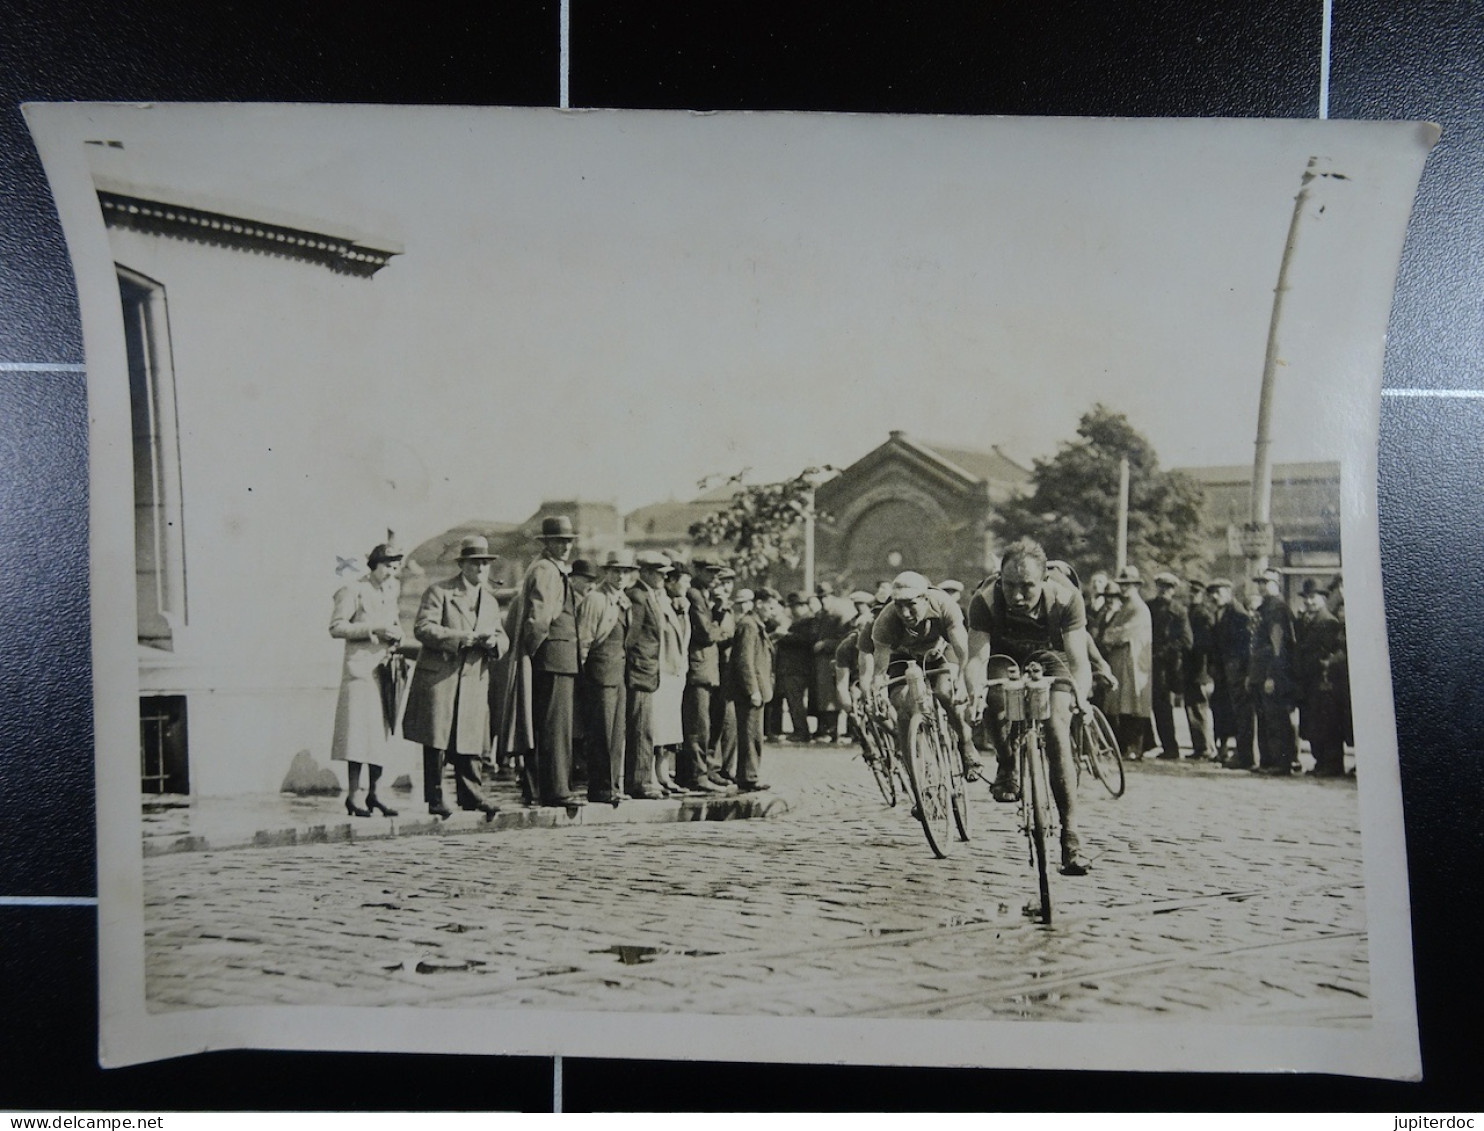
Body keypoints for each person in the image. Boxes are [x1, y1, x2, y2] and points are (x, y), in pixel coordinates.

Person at [964, 539, 1093, 876]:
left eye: (1027, 587)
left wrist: (1082, 697)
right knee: (993, 697)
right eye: (1010, 586)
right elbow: (977, 657)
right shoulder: (985, 600)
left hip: (1051, 656)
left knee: (1056, 726)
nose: (1018, 596)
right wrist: (973, 693)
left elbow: (1079, 660)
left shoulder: (1067, 598)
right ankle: (1007, 765)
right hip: (1003, 655)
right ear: (999, 579)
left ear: (1044, 580)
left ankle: (1071, 836)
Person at [402, 535, 507, 819]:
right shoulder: (440, 592)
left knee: (470, 738)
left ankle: (471, 795)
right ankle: (435, 797)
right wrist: (464, 638)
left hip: (473, 677)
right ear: (462, 565)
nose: (481, 569)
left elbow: (502, 637)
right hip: (441, 676)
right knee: (436, 738)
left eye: (485, 564)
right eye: (475, 563)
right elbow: (423, 628)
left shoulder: (490, 602)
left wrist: (493, 644)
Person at [497, 515, 585, 808]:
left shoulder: (546, 568)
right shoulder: (547, 570)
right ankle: (556, 790)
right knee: (555, 727)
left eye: (568, 542)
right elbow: (539, 619)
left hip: (554, 657)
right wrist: (535, 653)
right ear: (546, 543)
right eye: (558, 541)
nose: (565, 547)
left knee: (544, 724)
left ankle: (540, 788)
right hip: (553, 658)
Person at [871, 571, 980, 780]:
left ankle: (966, 743)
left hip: (940, 651)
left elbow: (964, 652)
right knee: (901, 703)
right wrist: (879, 691)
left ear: (925, 598)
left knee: (945, 692)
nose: (904, 612)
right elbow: (880, 667)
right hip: (904, 657)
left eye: (911, 604)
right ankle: (914, 771)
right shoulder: (885, 620)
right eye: (898, 605)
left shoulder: (944, 605)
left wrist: (963, 682)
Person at [329, 541, 406, 818]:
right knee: (357, 735)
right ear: (374, 565)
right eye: (387, 566)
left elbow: (394, 622)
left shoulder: (390, 590)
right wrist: (374, 629)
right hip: (360, 671)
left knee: (379, 736)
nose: (391, 573)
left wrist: (398, 633)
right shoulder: (354, 589)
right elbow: (337, 627)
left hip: (384, 670)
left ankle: (375, 793)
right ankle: (354, 795)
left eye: (395, 567)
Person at [576, 550, 638, 805]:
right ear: (606, 572)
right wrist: (583, 675)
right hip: (600, 673)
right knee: (600, 732)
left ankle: (613, 785)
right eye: (616, 571)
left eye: (625, 571)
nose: (621, 576)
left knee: (616, 733)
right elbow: (584, 640)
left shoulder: (623, 600)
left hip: (618, 673)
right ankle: (600, 788)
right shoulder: (596, 599)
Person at [681, 561, 735, 793]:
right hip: (699, 668)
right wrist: (721, 627)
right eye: (710, 572)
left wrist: (718, 611)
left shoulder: (702, 595)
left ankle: (698, 773)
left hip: (706, 668)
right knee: (697, 727)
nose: (715, 577)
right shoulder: (694, 595)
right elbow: (705, 634)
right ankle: (696, 775)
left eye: (717, 573)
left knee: (705, 724)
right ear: (698, 572)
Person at [623, 551, 673, 799]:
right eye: (659, 574)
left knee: (644, 727)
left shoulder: (649, 596)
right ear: (645, 573)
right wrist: (637, 664)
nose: (663, 578)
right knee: (640, 728)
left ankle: (640, 778)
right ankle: (638, 781)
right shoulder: (639, 597)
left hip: (646, 672)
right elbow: (630, 639)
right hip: (640, 672)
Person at [1098, 566, 1154, 759]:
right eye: (1121, 585)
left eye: (1127, 585)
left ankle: (1135, 748)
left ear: (1136, 585)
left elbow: (1120, 633)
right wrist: (1111, 634)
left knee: (1134, 704)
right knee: (1122, 705)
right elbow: (1109, 632)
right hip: (1121, 662)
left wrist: (1111, 635)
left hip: (1134, 664)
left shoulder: (1139, 609)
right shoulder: (1125, 608)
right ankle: (1124, 746)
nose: (1123, 588)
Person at [1295, 578, 1349, 777]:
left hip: (1323, 682)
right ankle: (1320, 762)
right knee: (1313, 724)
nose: (1309, 602)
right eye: (1306, 598)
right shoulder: (1305, 621)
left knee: (1328, 724)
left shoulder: (1328, 622)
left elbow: (1328, 653)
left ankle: (1332, 764)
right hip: (1308, 681)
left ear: (1323, 599)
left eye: (1313, 598)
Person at [1248, 569, 1299, 775]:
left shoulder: (1278, 609)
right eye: (1259, 582)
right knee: (1264, 717)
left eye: (1266, 582)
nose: (1261, 586)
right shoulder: (1265, 608)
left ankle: (1281, 762)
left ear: (1276, 584)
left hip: (1273, 673)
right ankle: (1267, 761)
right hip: (1260, 672)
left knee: (1276, 718)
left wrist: (1272, 675)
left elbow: (1278, 646)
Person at [728, 588, 776, 791]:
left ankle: (750, 774)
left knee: (754, 734)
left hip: (757, 688)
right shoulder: (749, 625)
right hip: (750, 691)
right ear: (759, 604)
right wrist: (752, 690)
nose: (772, 611)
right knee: (749, 734)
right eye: (770, 606)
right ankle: (748, 777)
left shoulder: (754, 624)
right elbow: (744, 661)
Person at [1208, 578, 1256, 769]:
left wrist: (1242, 671)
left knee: (1242, 714)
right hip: (1224, 671)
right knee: (1227, 711)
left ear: (1229, 593)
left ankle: (1243, 755)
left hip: (1236, 670)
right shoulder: (1220, 612)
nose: (1214, 596)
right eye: (1212, 593)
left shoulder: (1237, 614)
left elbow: (1243, 646)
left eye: (1218, 592)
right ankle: (1233, 751)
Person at [653, 562, 693, 792]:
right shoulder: (659, 603)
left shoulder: (682, 606)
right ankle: (653, 775)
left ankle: (664, 774)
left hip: (675, 674)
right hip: (660, 672)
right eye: (684, 581)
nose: (687, 586)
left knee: (669, 728)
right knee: (656, 727)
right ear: (670, 581)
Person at [1149, 572, 1193, 760]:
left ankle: (1171, 747)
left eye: (1168, 588)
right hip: (1148, 662)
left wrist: (1164, 651)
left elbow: (1186, 640)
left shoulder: (1179, 611)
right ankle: (1157, 744)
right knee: (1154, 705)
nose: (1164, 591)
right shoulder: (1149, 607)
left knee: (1164, 704)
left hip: (1168, 665)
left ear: (1173, 590)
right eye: (1161, 587)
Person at [811, 581, 857, 743]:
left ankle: (835, 731)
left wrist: (825, 644)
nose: (823, 600)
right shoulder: (821, 615)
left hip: (834, 659)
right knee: (824, 697)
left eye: (826, 597)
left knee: (834, 697)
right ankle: (827, 730)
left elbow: (845, 640)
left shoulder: (840, 615)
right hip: (821, 661)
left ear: (832, 596)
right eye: (820, 597)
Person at [1183, 578, 1217, 760]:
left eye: (1195, 593)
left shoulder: (1204, 615)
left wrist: (1203, 672)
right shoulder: (1191, 612)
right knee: (1192, 708)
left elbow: (1205, 646)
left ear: (1202, 595)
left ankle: (1205, 746)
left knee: (1199, 709)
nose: (1192, 596)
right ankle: (1199, 746)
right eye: (1190, 592)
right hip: (1190, 668)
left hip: (1199, 670)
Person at [775, 592, 815, 742]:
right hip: (796, 668)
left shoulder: (808, 622)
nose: (791, 610)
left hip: (797, 668)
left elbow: (805, 640)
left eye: (794, 606)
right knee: (794, 700)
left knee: (795, 700)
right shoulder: (803, 621)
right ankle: (800, 730)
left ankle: (801, 731)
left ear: (802, 606)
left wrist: (785, 636)